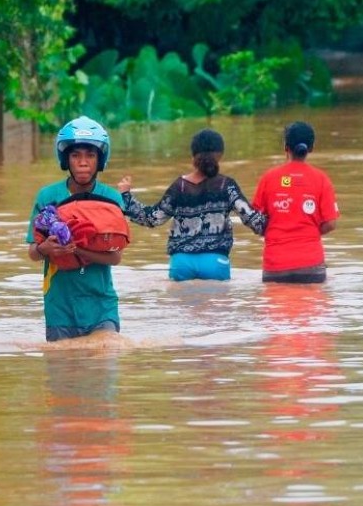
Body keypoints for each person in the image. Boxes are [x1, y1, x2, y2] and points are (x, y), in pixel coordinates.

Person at [117, 129, 267, 281]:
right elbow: (252, 219)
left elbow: (152, 218)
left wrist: (126, 196)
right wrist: (279, 221)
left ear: (193, 155)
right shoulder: (225, 185)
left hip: (181, 263)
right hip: (214, 263)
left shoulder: (179, 187)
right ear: (220, 155)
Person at [26, 116, 125, 342]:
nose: (83, 162)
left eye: (90, 155)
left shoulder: (112, 198)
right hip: (59, 306)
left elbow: (116, 257)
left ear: (100, 160)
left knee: (104, 367)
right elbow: (32, 253)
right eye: (75, 155)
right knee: (64, 374)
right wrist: (46, 249)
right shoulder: (47, 197)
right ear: (66, 159)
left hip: (102, 305)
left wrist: (77, 251)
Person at [251, 121, 339, 283]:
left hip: (275, 265)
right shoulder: (322, 179)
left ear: (286, 146)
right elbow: (331, 223)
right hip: (311, 265)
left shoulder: (268, 178)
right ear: (311, 148)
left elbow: (254, 219)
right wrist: (308, 232)